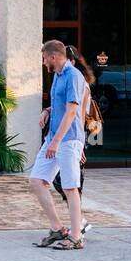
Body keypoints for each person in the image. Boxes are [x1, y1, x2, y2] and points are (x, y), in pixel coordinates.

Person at [29, 39, 86, 250]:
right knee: (36, 182)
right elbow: (60, 107)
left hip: (68, 140)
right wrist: (47, 111)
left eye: (45, 59)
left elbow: (72, 112)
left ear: (53, 57)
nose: (44, 63)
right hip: (53, 138)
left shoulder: (73, 76)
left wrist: (55, 142)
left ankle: (76, 237)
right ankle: (57, 229)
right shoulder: (57, 76)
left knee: (71, 188)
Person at [49, 46, 92, 235]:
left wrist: (80, 144)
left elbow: (78, 115)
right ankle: (78, 222)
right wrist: (46, 111)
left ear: (72, 62)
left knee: (72, 184)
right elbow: (60, 107)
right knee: (63, 183)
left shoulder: (79, 82)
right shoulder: (62, 79)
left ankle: (79, 225)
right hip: (70, 137)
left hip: (74, 137)